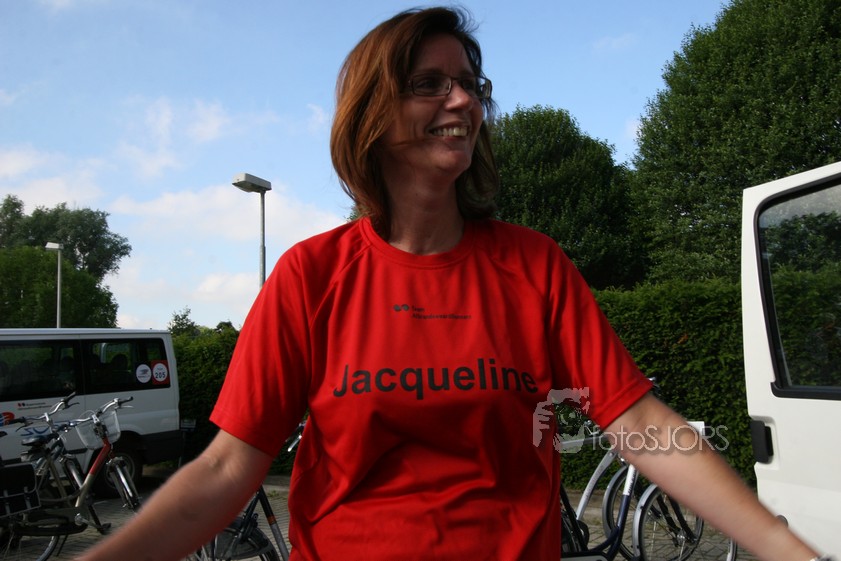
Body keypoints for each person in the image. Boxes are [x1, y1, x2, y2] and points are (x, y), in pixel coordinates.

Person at [76, 7, 826, 561]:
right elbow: (225, 466)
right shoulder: (311, 275)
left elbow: (639, 426)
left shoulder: (534, 266)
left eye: (469, 85)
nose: (463, 102)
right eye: (429, 85)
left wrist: (785, 548)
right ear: (373, 114)